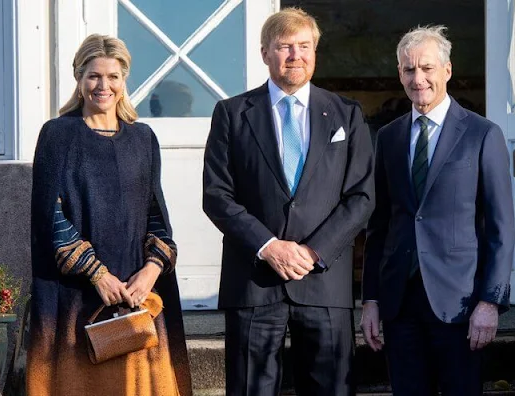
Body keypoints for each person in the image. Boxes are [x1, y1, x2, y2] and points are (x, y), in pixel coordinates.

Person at [203, 7, 374, 396]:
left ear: (315, 52)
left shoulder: (346, 114)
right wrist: (269, 247)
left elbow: (361, 196)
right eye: (284, 47)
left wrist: (313, 251)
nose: (295, 55)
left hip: (325, 282)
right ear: (265, 53)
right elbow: (216, 194)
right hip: (254, 282)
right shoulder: (231, 114)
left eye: (304, 46)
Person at [27, 34, 192, 396]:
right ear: (79, 78)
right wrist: (97, 274)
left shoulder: (143, 138)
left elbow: (155, 214)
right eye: (94, 76)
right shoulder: (58, 135)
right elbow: (49, 216)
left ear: (124, 80)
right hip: (77, 296)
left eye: (113, 76)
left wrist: (151, 271)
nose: (104, 85)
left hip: (136, 297)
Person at [360, 25, 515, 395]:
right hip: (400, 304)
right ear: (400, 74)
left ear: (447, 70)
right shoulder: (389, 137)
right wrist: (371, 299)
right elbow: (379, 225)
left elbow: (501, 227)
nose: (419, 79)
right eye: (409, 70)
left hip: (460, 304)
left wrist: (490, 301)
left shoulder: (482, 134)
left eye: (427, 68)